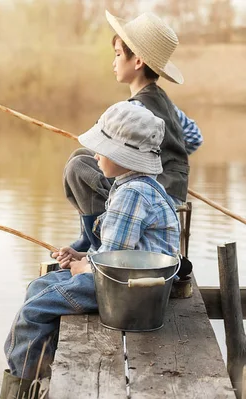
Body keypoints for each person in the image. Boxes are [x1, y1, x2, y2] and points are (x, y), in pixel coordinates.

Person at [0, 101, 180, 399]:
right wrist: (81, 256)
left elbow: (110, 267)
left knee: (33, 310)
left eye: (103, 149)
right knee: (39, 287)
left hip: (129, 292)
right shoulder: (137, 185)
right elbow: (120, 250)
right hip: (134, 282)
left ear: (126, 157)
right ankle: (42, 373)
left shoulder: (131, 194)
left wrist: (84, 268)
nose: (95, 154)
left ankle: (20, 390)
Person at [65, 10, 203, 252]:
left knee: (78, 168)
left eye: (118, 54)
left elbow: (122, 155)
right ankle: (90, 234)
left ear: (137, 61)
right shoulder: (166, 103)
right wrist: (166, 161)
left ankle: (97, 238)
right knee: (81, 156)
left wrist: (148, 165)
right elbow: (193, 136)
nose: (114, 62)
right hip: (170, 190)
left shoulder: (135, 110)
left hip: (150, 195)